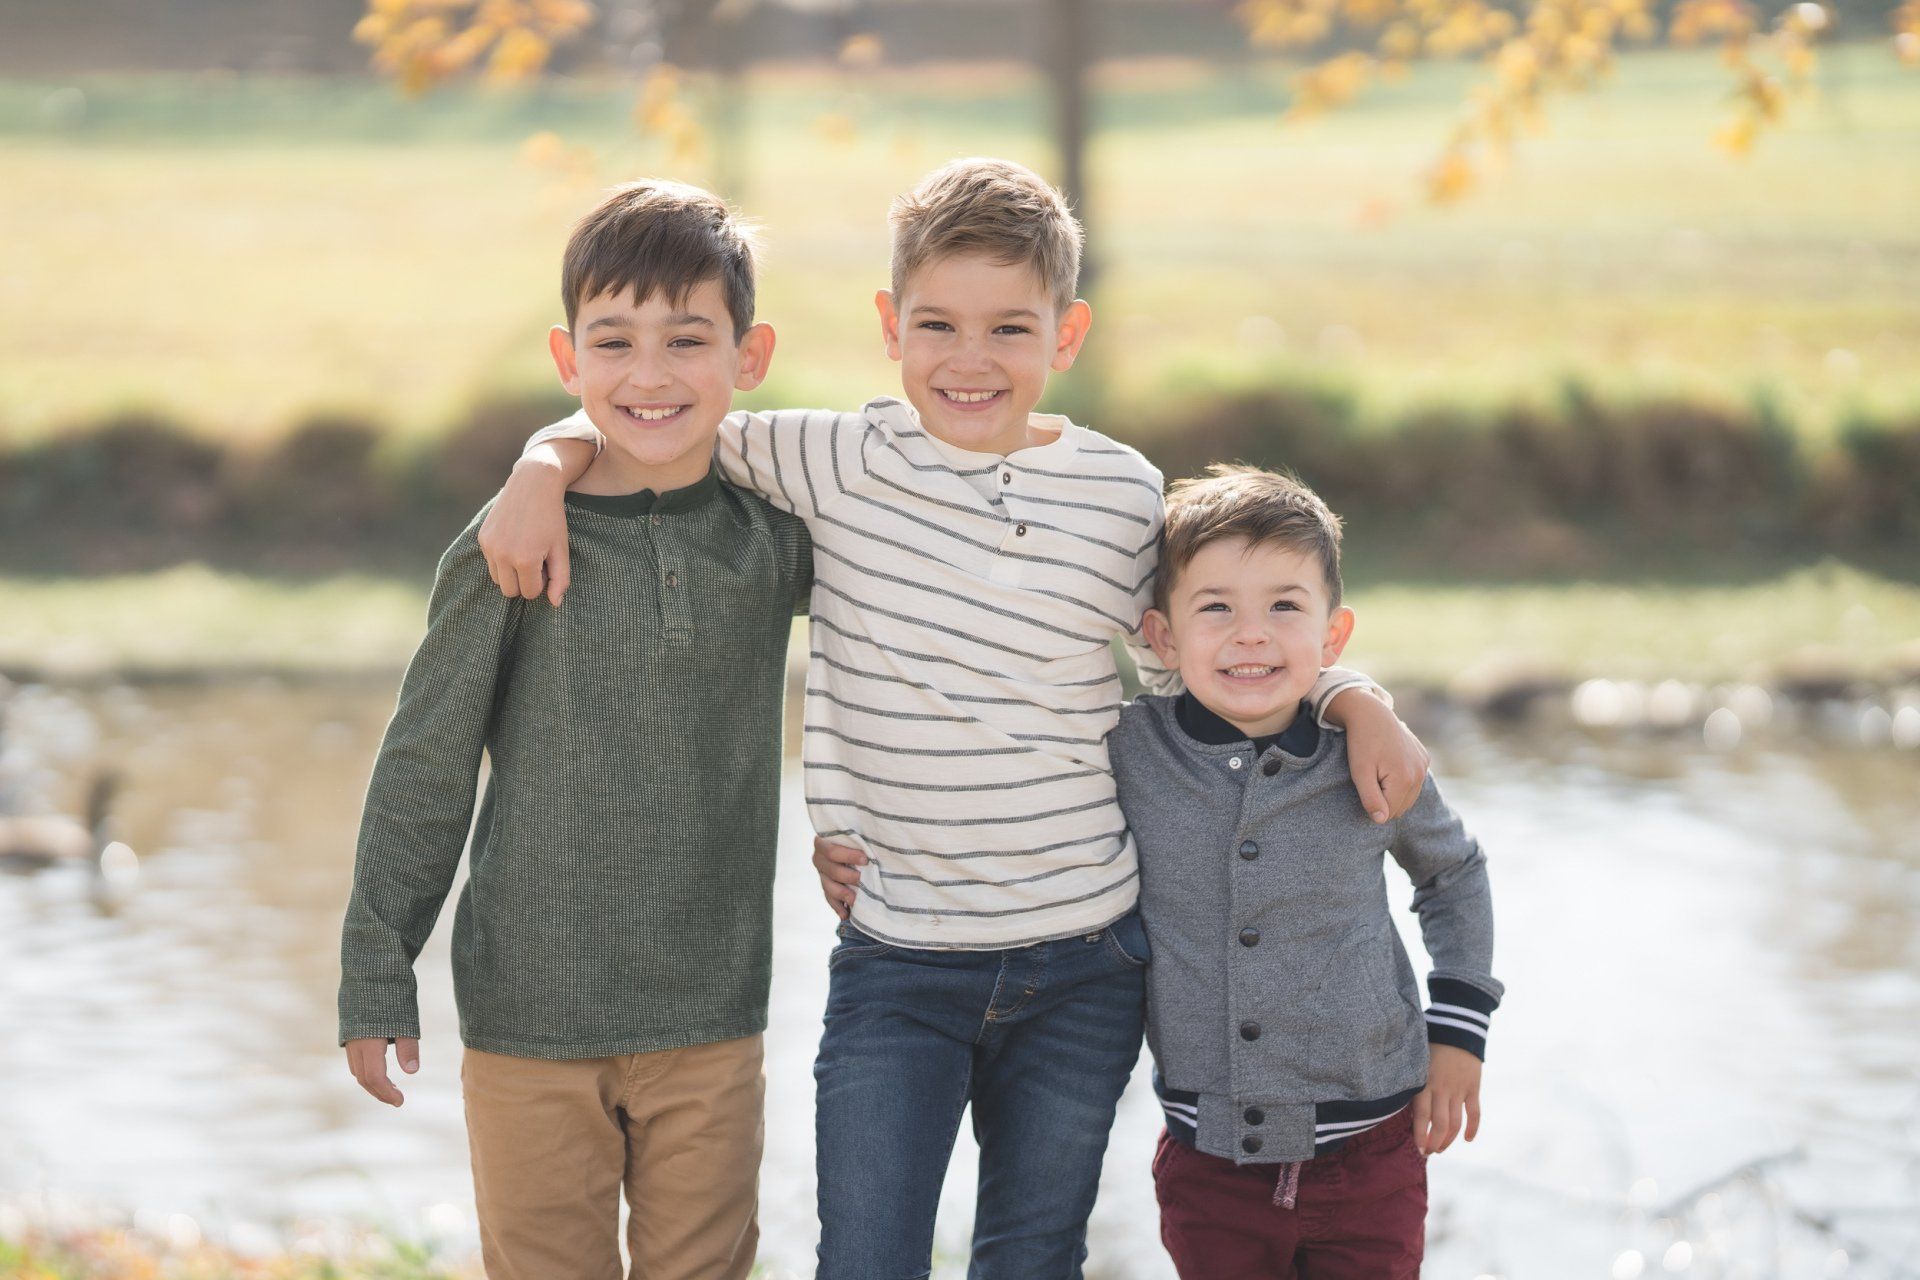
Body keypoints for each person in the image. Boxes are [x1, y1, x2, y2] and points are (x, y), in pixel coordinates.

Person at [478, 157, 1431, 1278]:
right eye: (937, 323)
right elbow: (647, 413)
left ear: (1065, 335)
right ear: (890, 325)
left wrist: (1352, 694)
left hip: (1086, 958)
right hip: (899, 961)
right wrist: (539, 464)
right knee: (868, 1257)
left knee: (1031, 1256)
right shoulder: (830, 459)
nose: (969, 359)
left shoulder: (1123, 492)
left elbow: (1227, 646)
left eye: (1008, 329)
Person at [336, 179, 811, 1280]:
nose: (650, 374)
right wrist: (376, 965)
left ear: (751, 353)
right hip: (526, 1013)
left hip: (712, 1009)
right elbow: (426, 761)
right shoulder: (509, 545)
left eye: (687, 339)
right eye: (615, 342)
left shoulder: (775, 540)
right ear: (568, 358)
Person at [1120, 464, 1501, 1277]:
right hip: (1209, 1160)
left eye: (1284, 608)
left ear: (1332, 637)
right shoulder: (1130, 753)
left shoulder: (1372, 754)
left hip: (1373, 1151)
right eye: (1215, 607)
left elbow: (1452, 875)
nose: (1250, 633)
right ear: (1161, 636)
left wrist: (1459, 1031)